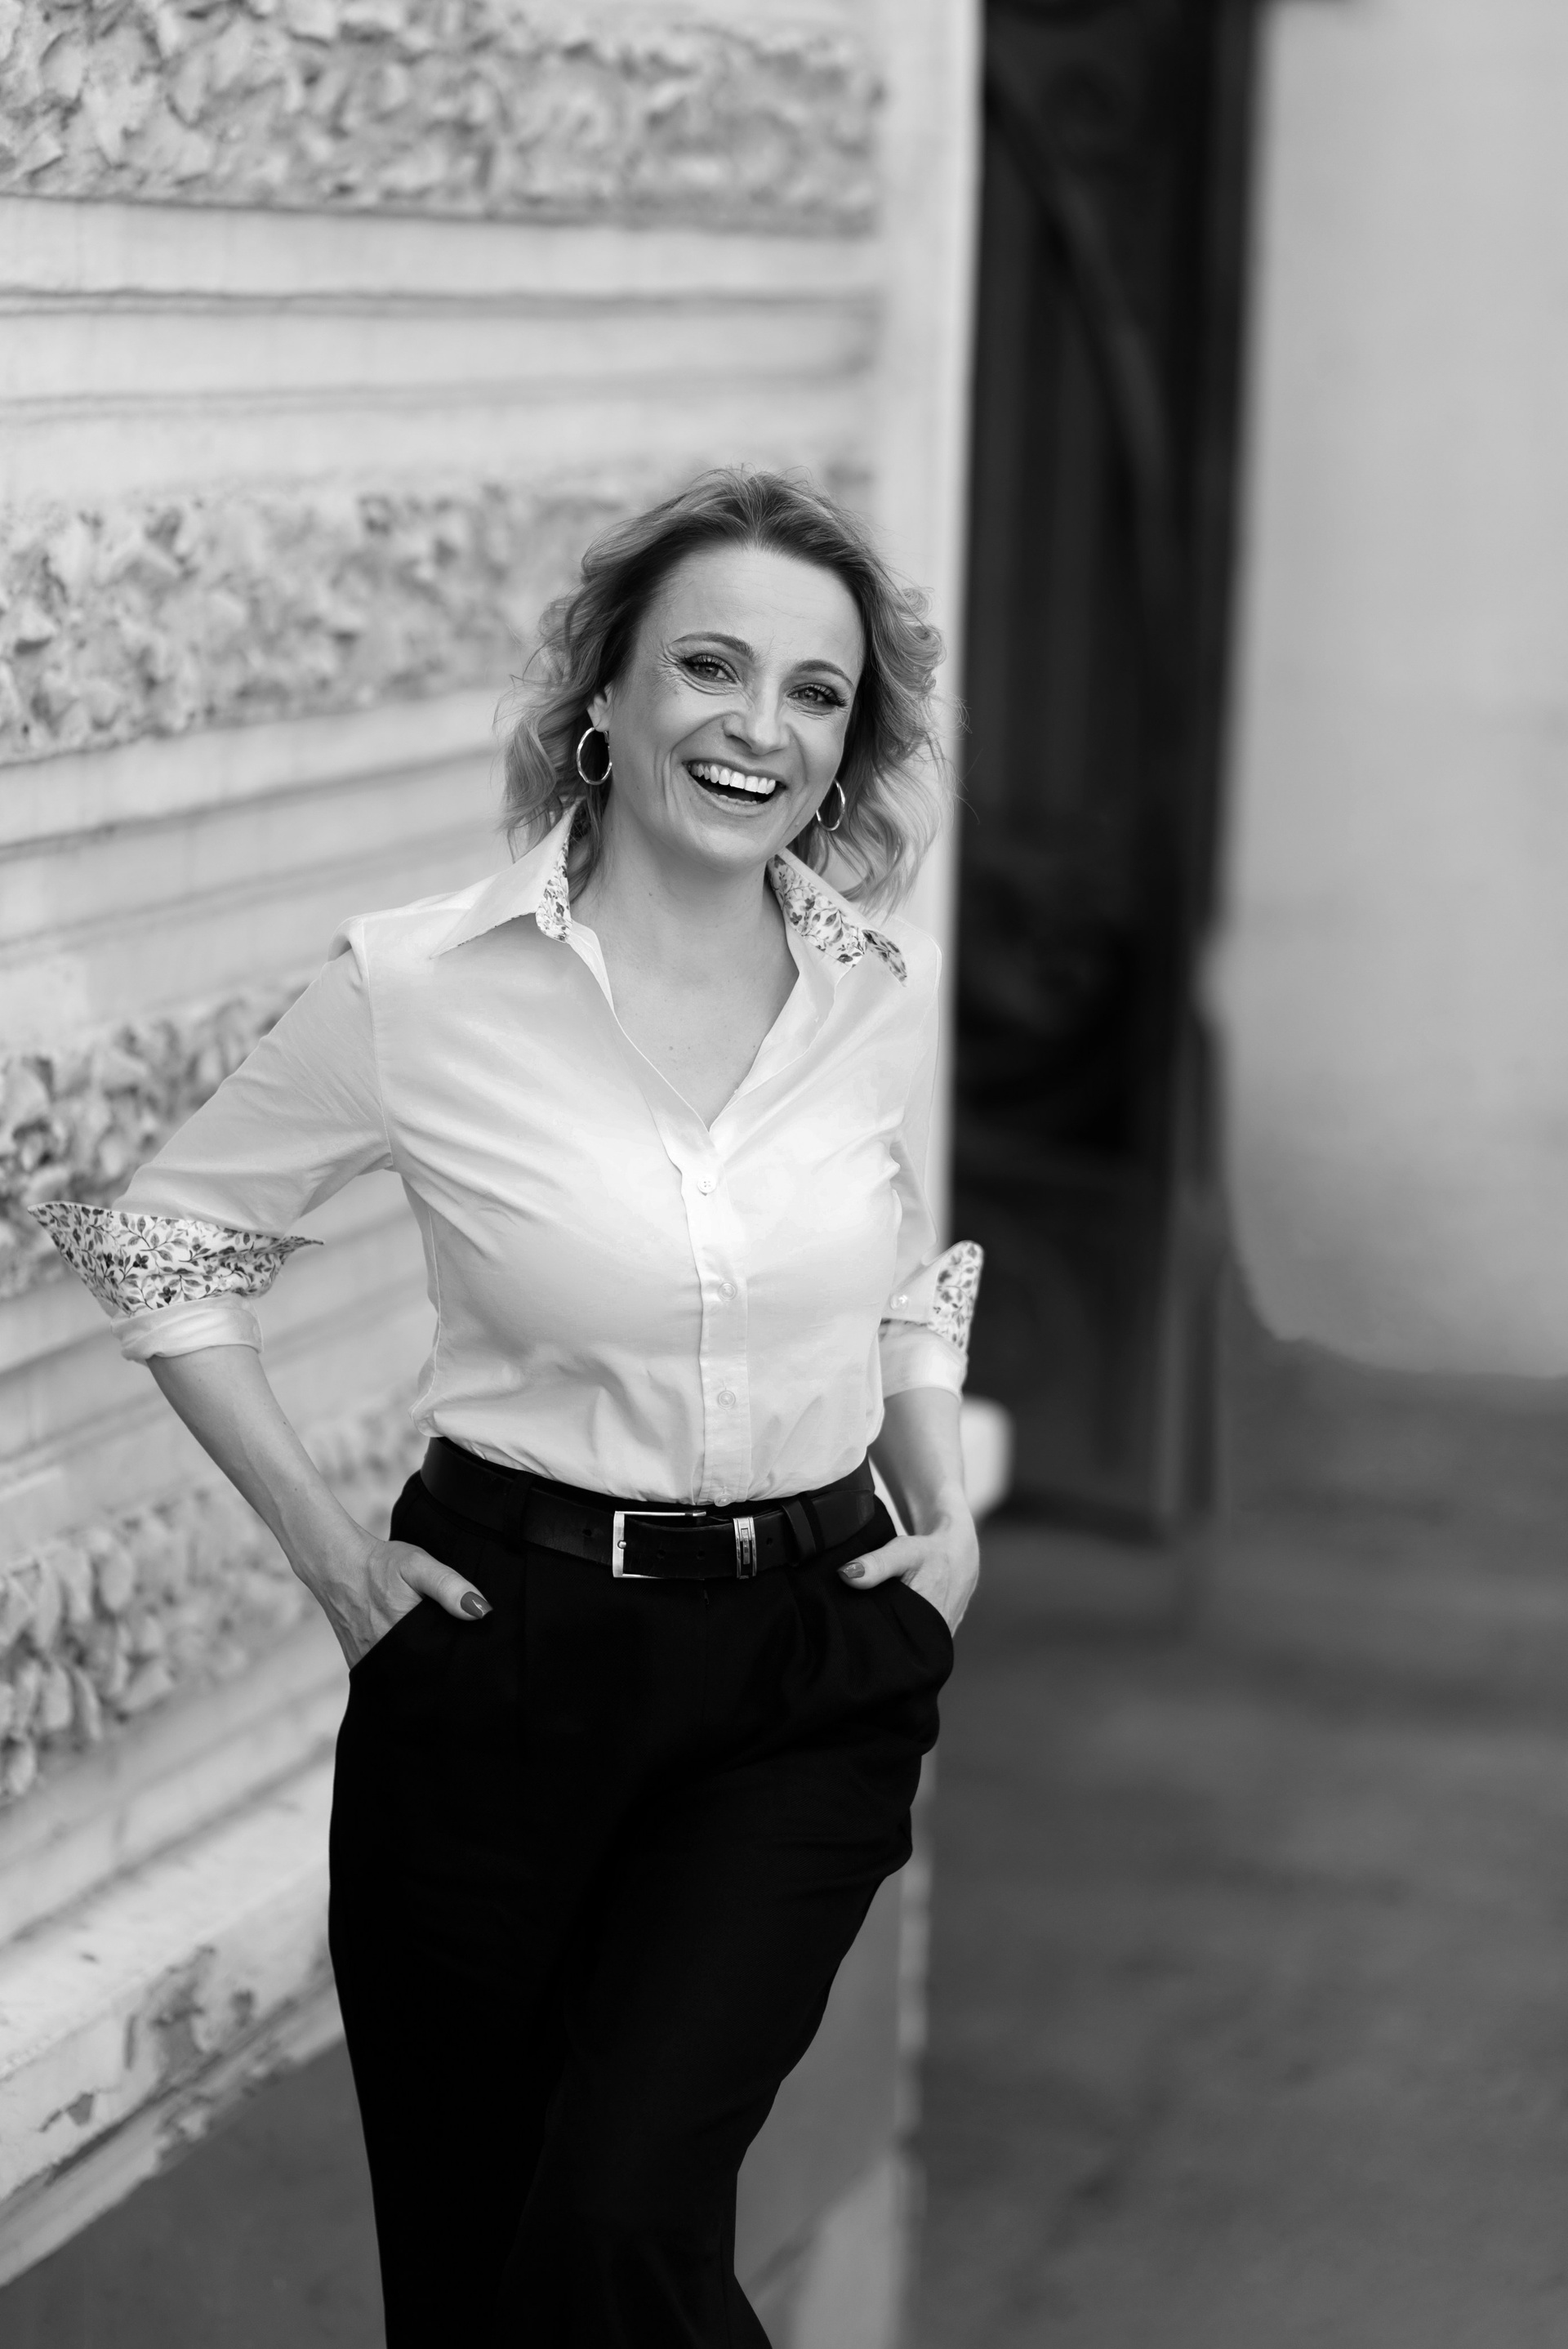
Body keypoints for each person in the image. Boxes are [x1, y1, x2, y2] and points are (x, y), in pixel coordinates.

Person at [36, 469, 982, 2347]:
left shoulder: (877, 988)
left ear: (846, 745)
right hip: (504, 1659)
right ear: (605, 693)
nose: (760, 724)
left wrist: (941, 1513)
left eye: (815, 692)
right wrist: (330, 1558)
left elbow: (888, 1267)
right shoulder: (421, 987)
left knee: (618, 2218)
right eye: (709, 665)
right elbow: (165, 1238)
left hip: (803, 1670)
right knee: (480, 2277)